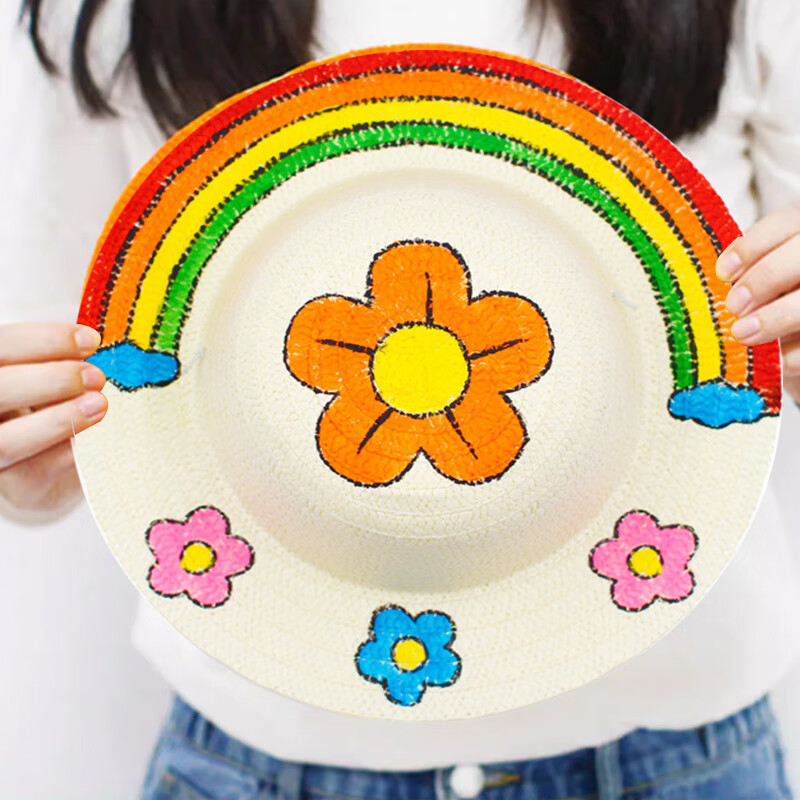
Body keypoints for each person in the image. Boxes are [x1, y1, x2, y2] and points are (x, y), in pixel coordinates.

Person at [2, 1, 800, 798]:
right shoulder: (105, 15)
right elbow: (65, 368)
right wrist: (33, 470)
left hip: (681, 758)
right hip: (255, 762)